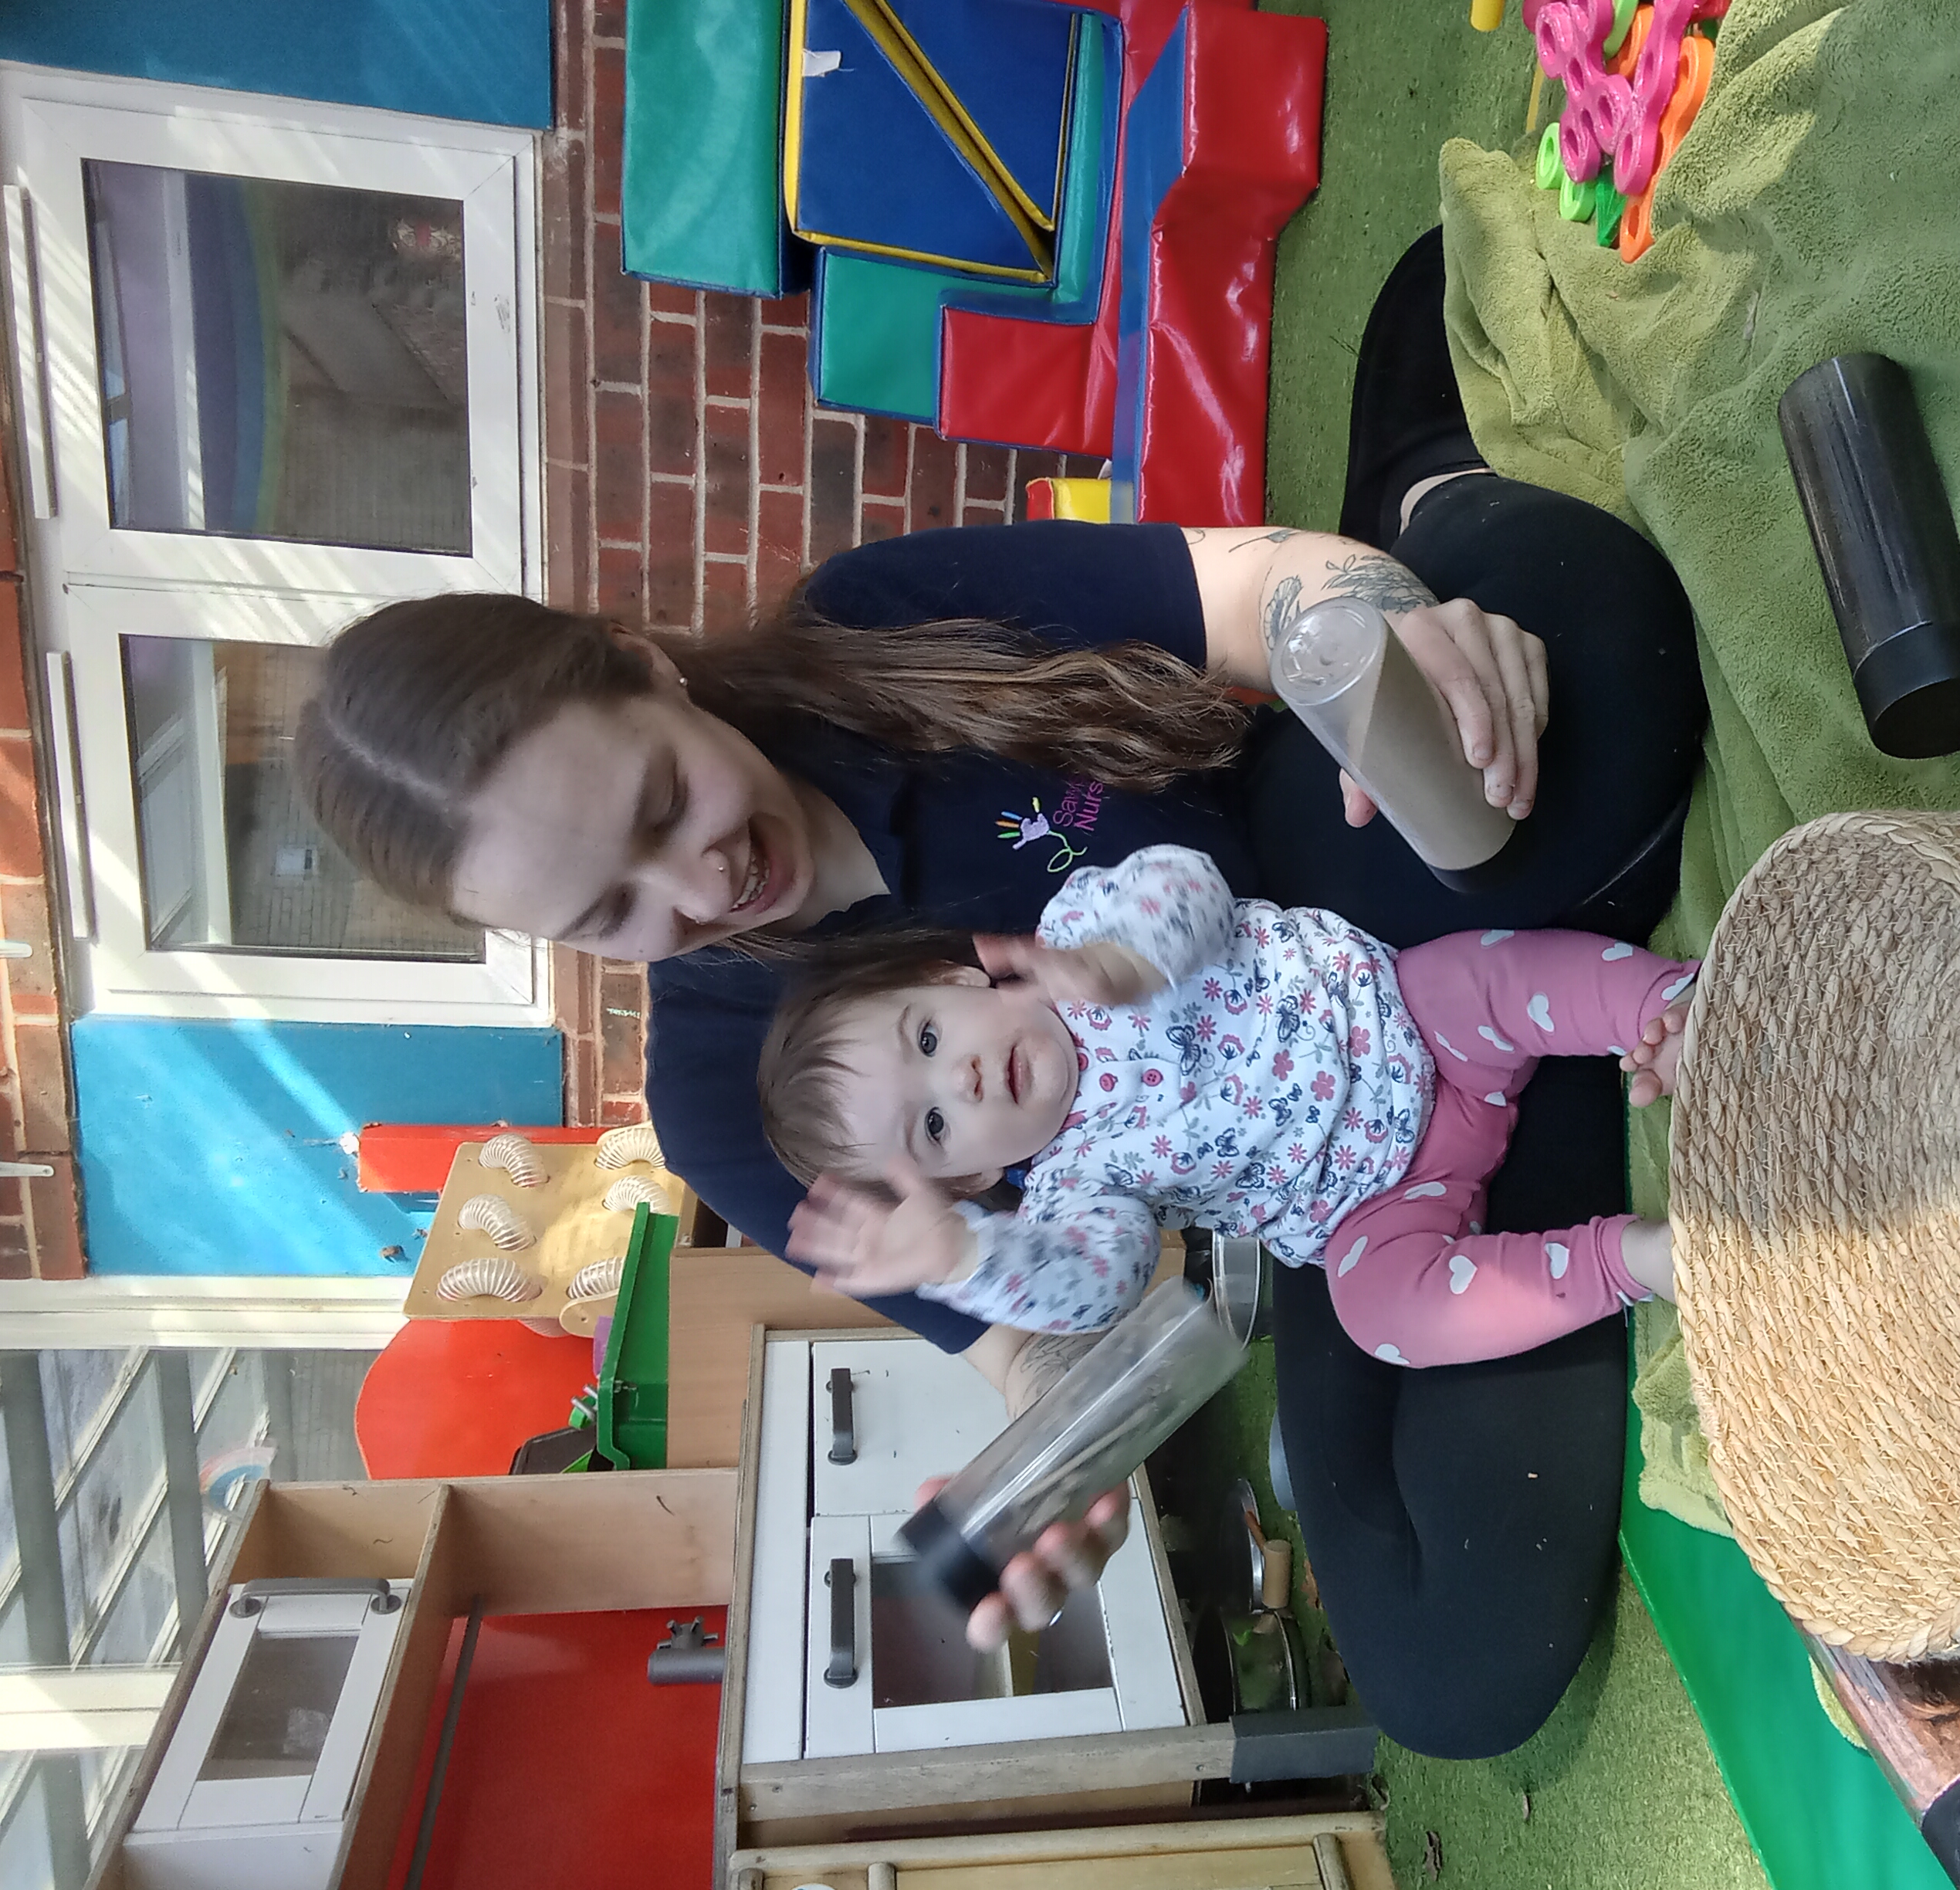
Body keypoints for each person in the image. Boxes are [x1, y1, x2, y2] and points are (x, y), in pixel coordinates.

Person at [296, 231, 1708, 1758]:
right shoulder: (726, 1104)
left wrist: (1392, 630)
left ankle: (1427, 483)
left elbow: (1254, 595)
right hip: (1307, 1177)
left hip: (1322, 898)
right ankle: (1545, 1120)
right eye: (614, 910)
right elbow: (1039, 1326)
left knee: (1561, 706)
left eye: (657, 808)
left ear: (651, 671)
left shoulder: (874, 621)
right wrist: (1065, 1456)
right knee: (1454, 1671)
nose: (699, 891)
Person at [757, 845, 1699, 1357]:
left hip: (1411, 1018)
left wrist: (1125, 959)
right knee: (1376, 1316)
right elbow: (1106, 1280)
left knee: (1484, 973)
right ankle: (1632, 1262)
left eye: (926, 1038)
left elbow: (1193, 883)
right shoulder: (1074, 1189)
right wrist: (967, 1259)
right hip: (1379, 1206)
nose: (957, 1078)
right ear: (969, 1173)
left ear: (949, 978)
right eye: (933, 1127)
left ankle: (1672, 1013)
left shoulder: (1077, 933)